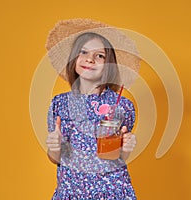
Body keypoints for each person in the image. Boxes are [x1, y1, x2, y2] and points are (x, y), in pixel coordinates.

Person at [45, 19, 140, 199]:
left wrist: (126, 148)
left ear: (109, 64)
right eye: (84, 52)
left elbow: (117, 156)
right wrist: (54, 146)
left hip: (111, 192)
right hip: (71, 191)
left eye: (100, 55)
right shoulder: (59, 104)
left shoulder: (122, 106)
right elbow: (55, 158)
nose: (90, 59)